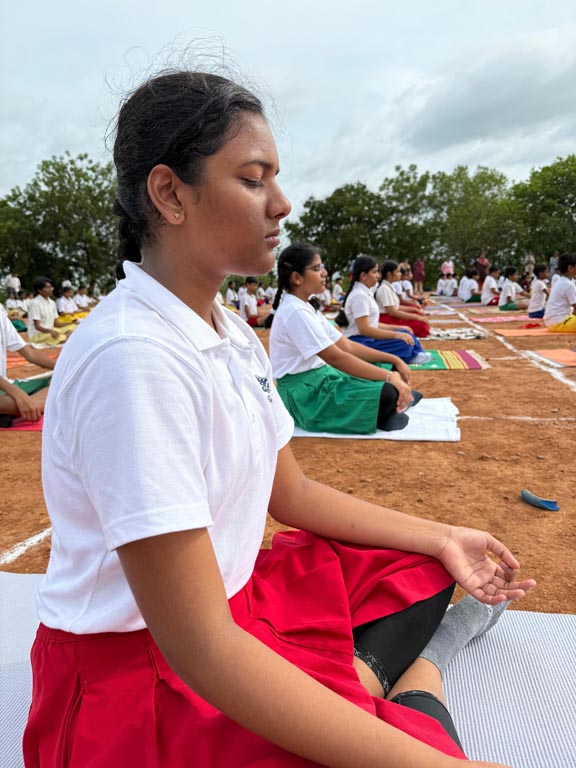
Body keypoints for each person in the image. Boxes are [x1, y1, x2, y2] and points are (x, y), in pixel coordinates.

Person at [23, 70, 535, 768]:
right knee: (403, 749)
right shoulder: (133, 357)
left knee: (417, 562)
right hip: (146, 682)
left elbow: (289, 495)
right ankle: (415, 671)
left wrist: (444, 534)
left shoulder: (228, 330)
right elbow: (199, 648)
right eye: (255, 179)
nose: (282, 204)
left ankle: (364, 683)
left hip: (231, 617)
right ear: (170, 193)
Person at [268, 243, 415, 434]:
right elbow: (336, 357)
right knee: (387, 392)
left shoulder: (306, 308)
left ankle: (389, 401)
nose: (324, 273)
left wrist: (393, 360)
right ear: (296, 277)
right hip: (305, 393)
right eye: (316, 268)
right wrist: (390, 377)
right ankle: (389, 402)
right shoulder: (295, 311)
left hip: (322, 378)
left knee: (387, 370)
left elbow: (347, 346)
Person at [338, 256, 431, 364]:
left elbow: (374, 324)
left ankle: (413, 354)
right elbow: (365, 330)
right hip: (360, 341)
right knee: (402, 341)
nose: (378, 276)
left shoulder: (365, 292)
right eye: (375, 272)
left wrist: (399, 329)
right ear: (363, 275)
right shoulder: (359, 296)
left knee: (406, 333)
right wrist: (396, 334)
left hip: (366, 337)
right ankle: (411, 355)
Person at [0, 310, 56, 426]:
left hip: (4, 384)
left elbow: (30, 354)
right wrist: (19, 395)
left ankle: (17, 408)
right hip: (5, 386)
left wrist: (63, 368)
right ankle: (29, 405)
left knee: (63, 381)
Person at [376, 261, 430, 338]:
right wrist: (416, 317)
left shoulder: (389, 287)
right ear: (389, 274)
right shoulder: (384, 289)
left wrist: (415, 311)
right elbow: (393, 312)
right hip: (386, 319)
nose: (400, 274)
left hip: (391, 316)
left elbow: (397, 307)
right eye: (397, 272)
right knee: (420, 324)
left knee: (419, 317)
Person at [26, 277, 77, 345]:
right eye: (47, 287)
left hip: (52, 330)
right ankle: (65, 338)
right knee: (55, 336)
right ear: (39, 290)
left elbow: (56, 324)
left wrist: (71, 323)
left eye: (51, 287)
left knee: (74, 327)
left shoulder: (52, 303)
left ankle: (65, 338)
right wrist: (50, 331)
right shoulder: (35, 303)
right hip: (39, 334)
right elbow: (37, 327)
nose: (51, 289)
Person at [543, 252, 576, 332]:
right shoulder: (568, 285)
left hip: (554, 322)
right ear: (570, 268)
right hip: (560, 323)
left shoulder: (561, 281)